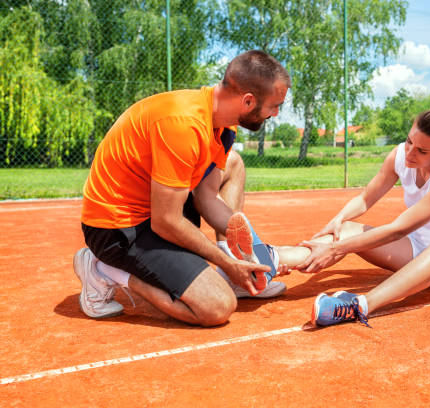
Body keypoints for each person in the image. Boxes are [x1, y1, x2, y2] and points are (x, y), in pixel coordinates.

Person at [74, 50, 291, 327]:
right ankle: (104, 269)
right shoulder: (182, 124)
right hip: (116, 227)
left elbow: (207, 197)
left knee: (233, 164)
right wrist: (226, 264)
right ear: (248, 101)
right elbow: (167, 221)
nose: (276, 113)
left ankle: (237, 271)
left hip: (154, 209)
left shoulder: (225, 123)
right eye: (274, 106)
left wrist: (251, 254)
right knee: (217, 308)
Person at [294, 103, 430, 327]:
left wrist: (335, 249)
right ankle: (270, 261)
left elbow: (397, 230)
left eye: (422, 151)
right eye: (409, 142)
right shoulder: (399, 155)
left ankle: (360, 306)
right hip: (416, 251)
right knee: (346, 230)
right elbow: (365, 199)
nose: (410, 152)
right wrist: (338, 219)